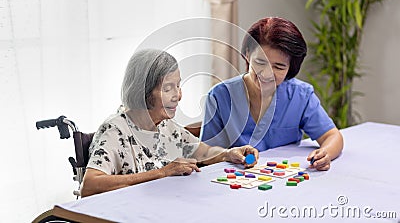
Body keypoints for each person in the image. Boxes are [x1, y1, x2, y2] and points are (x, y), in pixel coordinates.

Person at [81, 49, 258, 197]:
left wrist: (229, 154)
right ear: (142, 91)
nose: (178, 96)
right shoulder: (115, 129)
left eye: (178, 86)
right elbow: (89, 185)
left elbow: (204, 152)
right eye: (167, 88)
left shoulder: (165, 126)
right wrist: (162, 173)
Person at [200, 17, 344, 171]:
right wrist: (226, 154)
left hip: (286, 179)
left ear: (290, 68)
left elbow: (332, 136)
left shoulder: (300, 95)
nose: (267, 74)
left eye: (279, 67)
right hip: (237, 182)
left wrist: (325, 153)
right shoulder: (220, 97)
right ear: (247, 54)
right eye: (260, 62)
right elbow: (204, 154)